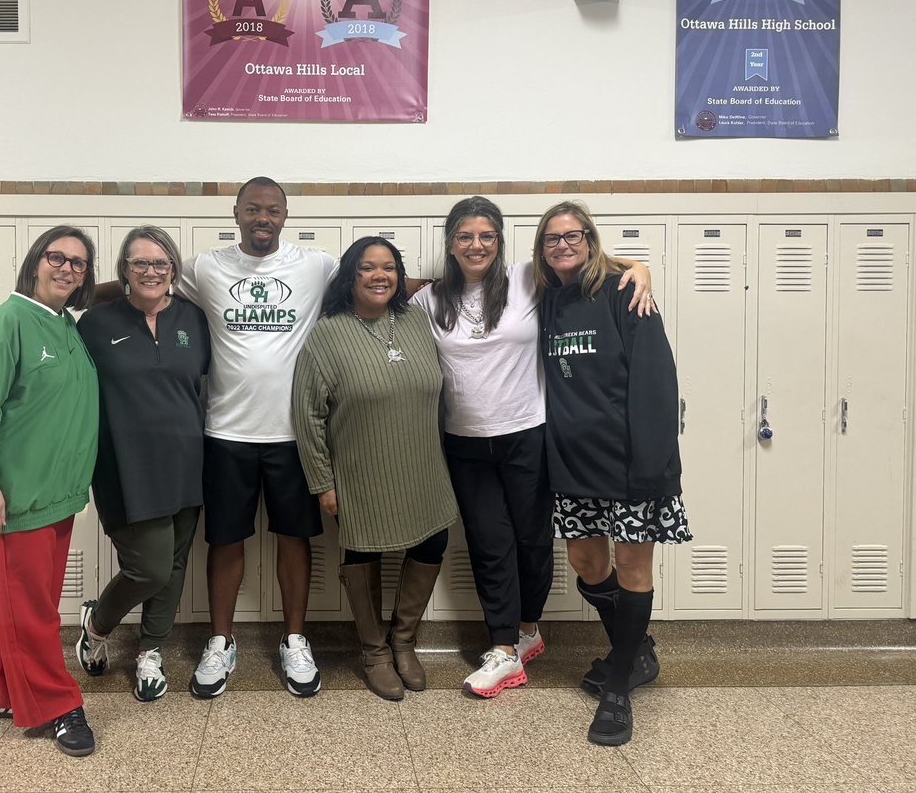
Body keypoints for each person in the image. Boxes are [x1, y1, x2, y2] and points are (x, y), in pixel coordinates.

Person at [413, 196, 653, 698]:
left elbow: (582, 259)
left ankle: (527, 630)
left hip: (529, 435)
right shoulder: (430, 300)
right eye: (465, 236)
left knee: (532, 540)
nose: (476, 245)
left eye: (487, 236)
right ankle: (502, 647)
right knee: (488, 543)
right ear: (450, 243)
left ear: (500, 241)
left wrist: (640, 266)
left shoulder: (526, 279)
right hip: (465, 443)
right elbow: (381, 289)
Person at [534, 200, 692, 747]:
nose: (562, 244)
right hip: (573, 462)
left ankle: (619, 686)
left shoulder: (625, 293)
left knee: (632, 567)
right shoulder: (547, 300)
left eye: (572, 235)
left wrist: (652, 466)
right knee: (586, 562)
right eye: (552, 237)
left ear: (590, 239)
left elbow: (657, 381)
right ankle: (636, 649)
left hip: (630, 463)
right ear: (542, 248)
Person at [174, 177, 336, 698]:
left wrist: (441, 285)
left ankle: (295, 639)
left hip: (293, 434)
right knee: (225, 539)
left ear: (285, 216)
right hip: (226, 432)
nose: (262, 218)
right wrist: (85, 294)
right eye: (252, 209)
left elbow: (374, 278)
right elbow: (147, 282)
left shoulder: (315, 265)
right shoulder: (206, 268)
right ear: (236, 214)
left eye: (272, 210)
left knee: (295, 536)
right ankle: (220, 642)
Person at [0, 225, 99, 757]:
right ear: (35, 261)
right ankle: (57, 705)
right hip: (15, 498)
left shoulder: (64, 324)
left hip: (56, 494)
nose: (66, 268)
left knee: (22, 600)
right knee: (32, 609)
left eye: (78, 263)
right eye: (56, 257)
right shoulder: (7, 322)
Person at [292, 237, 458, 701]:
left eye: (388, 267)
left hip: (423, 463)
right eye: (367, 267)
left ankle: (403, 642)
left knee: (433, 541)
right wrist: (322, 483)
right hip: (359, 470)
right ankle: (375, 652)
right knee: (363, 552)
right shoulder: (327, 333)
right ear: (350, 276)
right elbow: (308, 414)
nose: (379, 276)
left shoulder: (416, 320)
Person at [74, 226, 211, 702]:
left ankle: (151, 651)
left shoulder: (194, 319)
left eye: (160, 263)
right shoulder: (96, 323)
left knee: (173, 565)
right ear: (124, 270)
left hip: (186, 462)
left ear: (173, 269)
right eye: (140, 263)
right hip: (125, 467)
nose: (151, 271)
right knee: (149, 568)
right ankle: (97, 624)